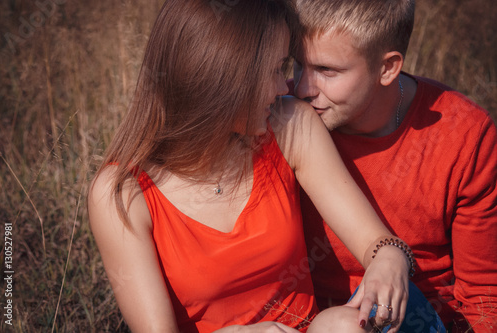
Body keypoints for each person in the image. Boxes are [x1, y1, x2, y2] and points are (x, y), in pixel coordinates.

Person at [88, 0, 415, 332]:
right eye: (273, 70)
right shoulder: (122, 193)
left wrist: (389, 257)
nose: (284, 87)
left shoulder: (290, 126)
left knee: (344, 326)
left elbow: (371, 239)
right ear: (223, 77)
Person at [291, 0, 497, 332]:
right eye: (296, 64)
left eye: (326, 71)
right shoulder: (278, 117)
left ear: (387, 68)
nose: (302, 88)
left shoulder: (465, 135)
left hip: (419, 318)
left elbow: (484, 291)